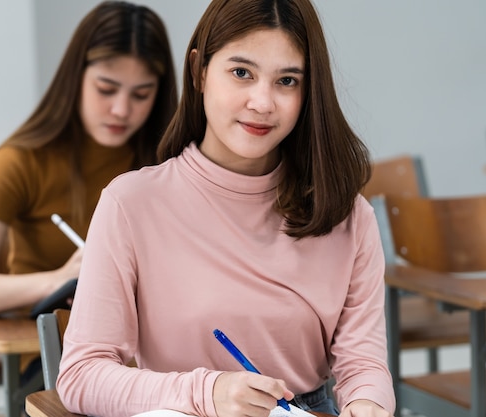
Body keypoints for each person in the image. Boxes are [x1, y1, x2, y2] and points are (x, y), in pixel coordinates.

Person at [57, 0, 395, 416]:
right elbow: (81, 375)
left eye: (287, 81)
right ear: (200, 71)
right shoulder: (130, 203)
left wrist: (367, 404)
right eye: (241, 73)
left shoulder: (348, 215)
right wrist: (207, 393)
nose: (262, 102)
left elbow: (363, 364)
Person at [0, 1, 177, 316]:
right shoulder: (23, 161)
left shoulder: (169, 161)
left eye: (141, 94)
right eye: (106, 89)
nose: (121, 109)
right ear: (74, 78)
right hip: (53, 352)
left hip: (150, 349)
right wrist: (58, 281)